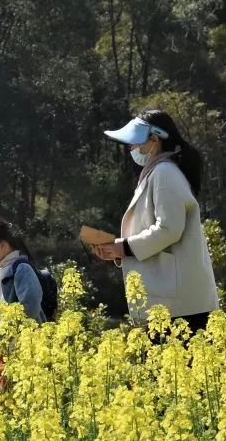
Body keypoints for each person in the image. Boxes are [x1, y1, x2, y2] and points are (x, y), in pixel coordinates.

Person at [93, 110, 219, 333]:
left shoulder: (164, 172)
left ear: (154, 139)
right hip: (171, 302)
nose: (130, 148)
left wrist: (124, 247)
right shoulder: (157, 172)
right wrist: (118, 250)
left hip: (178, 306)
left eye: (134, 142)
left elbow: (169, 229)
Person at [0, 216, 47, 324]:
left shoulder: (22, 269)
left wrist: (13, 329)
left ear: (2, 245)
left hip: (26, 336)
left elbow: (31, 307)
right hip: (6, 336)